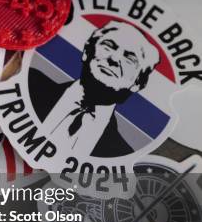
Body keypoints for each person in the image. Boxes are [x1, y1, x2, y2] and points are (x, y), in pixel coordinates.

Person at [30, 20, 160, 157]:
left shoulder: (121, 155)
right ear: (87, 51)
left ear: (138, 84)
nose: (114, 58)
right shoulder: (31, 83)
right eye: (108, 46)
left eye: (130, 59)